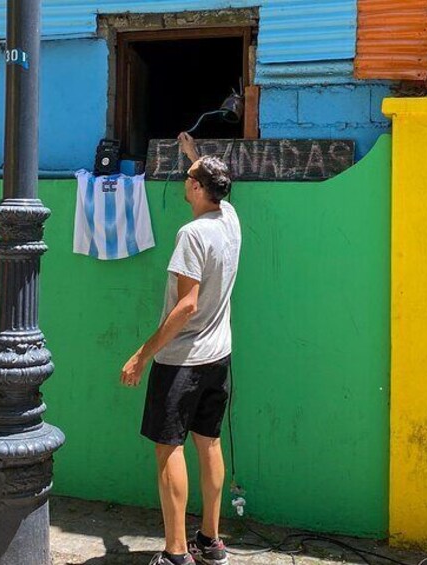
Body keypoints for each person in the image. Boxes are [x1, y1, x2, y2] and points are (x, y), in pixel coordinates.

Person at [121, 132, 241, 565]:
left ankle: (175, 553)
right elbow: (213, 176)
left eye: (189, 175)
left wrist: (143, 354)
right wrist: (193, 154)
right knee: (208, 443)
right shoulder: (229, 219)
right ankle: (211, 540)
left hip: (182, 361)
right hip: (218, 357)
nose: (186, 177)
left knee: (168, 447)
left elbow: (186, 305)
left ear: (195, 189)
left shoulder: (192, 234)